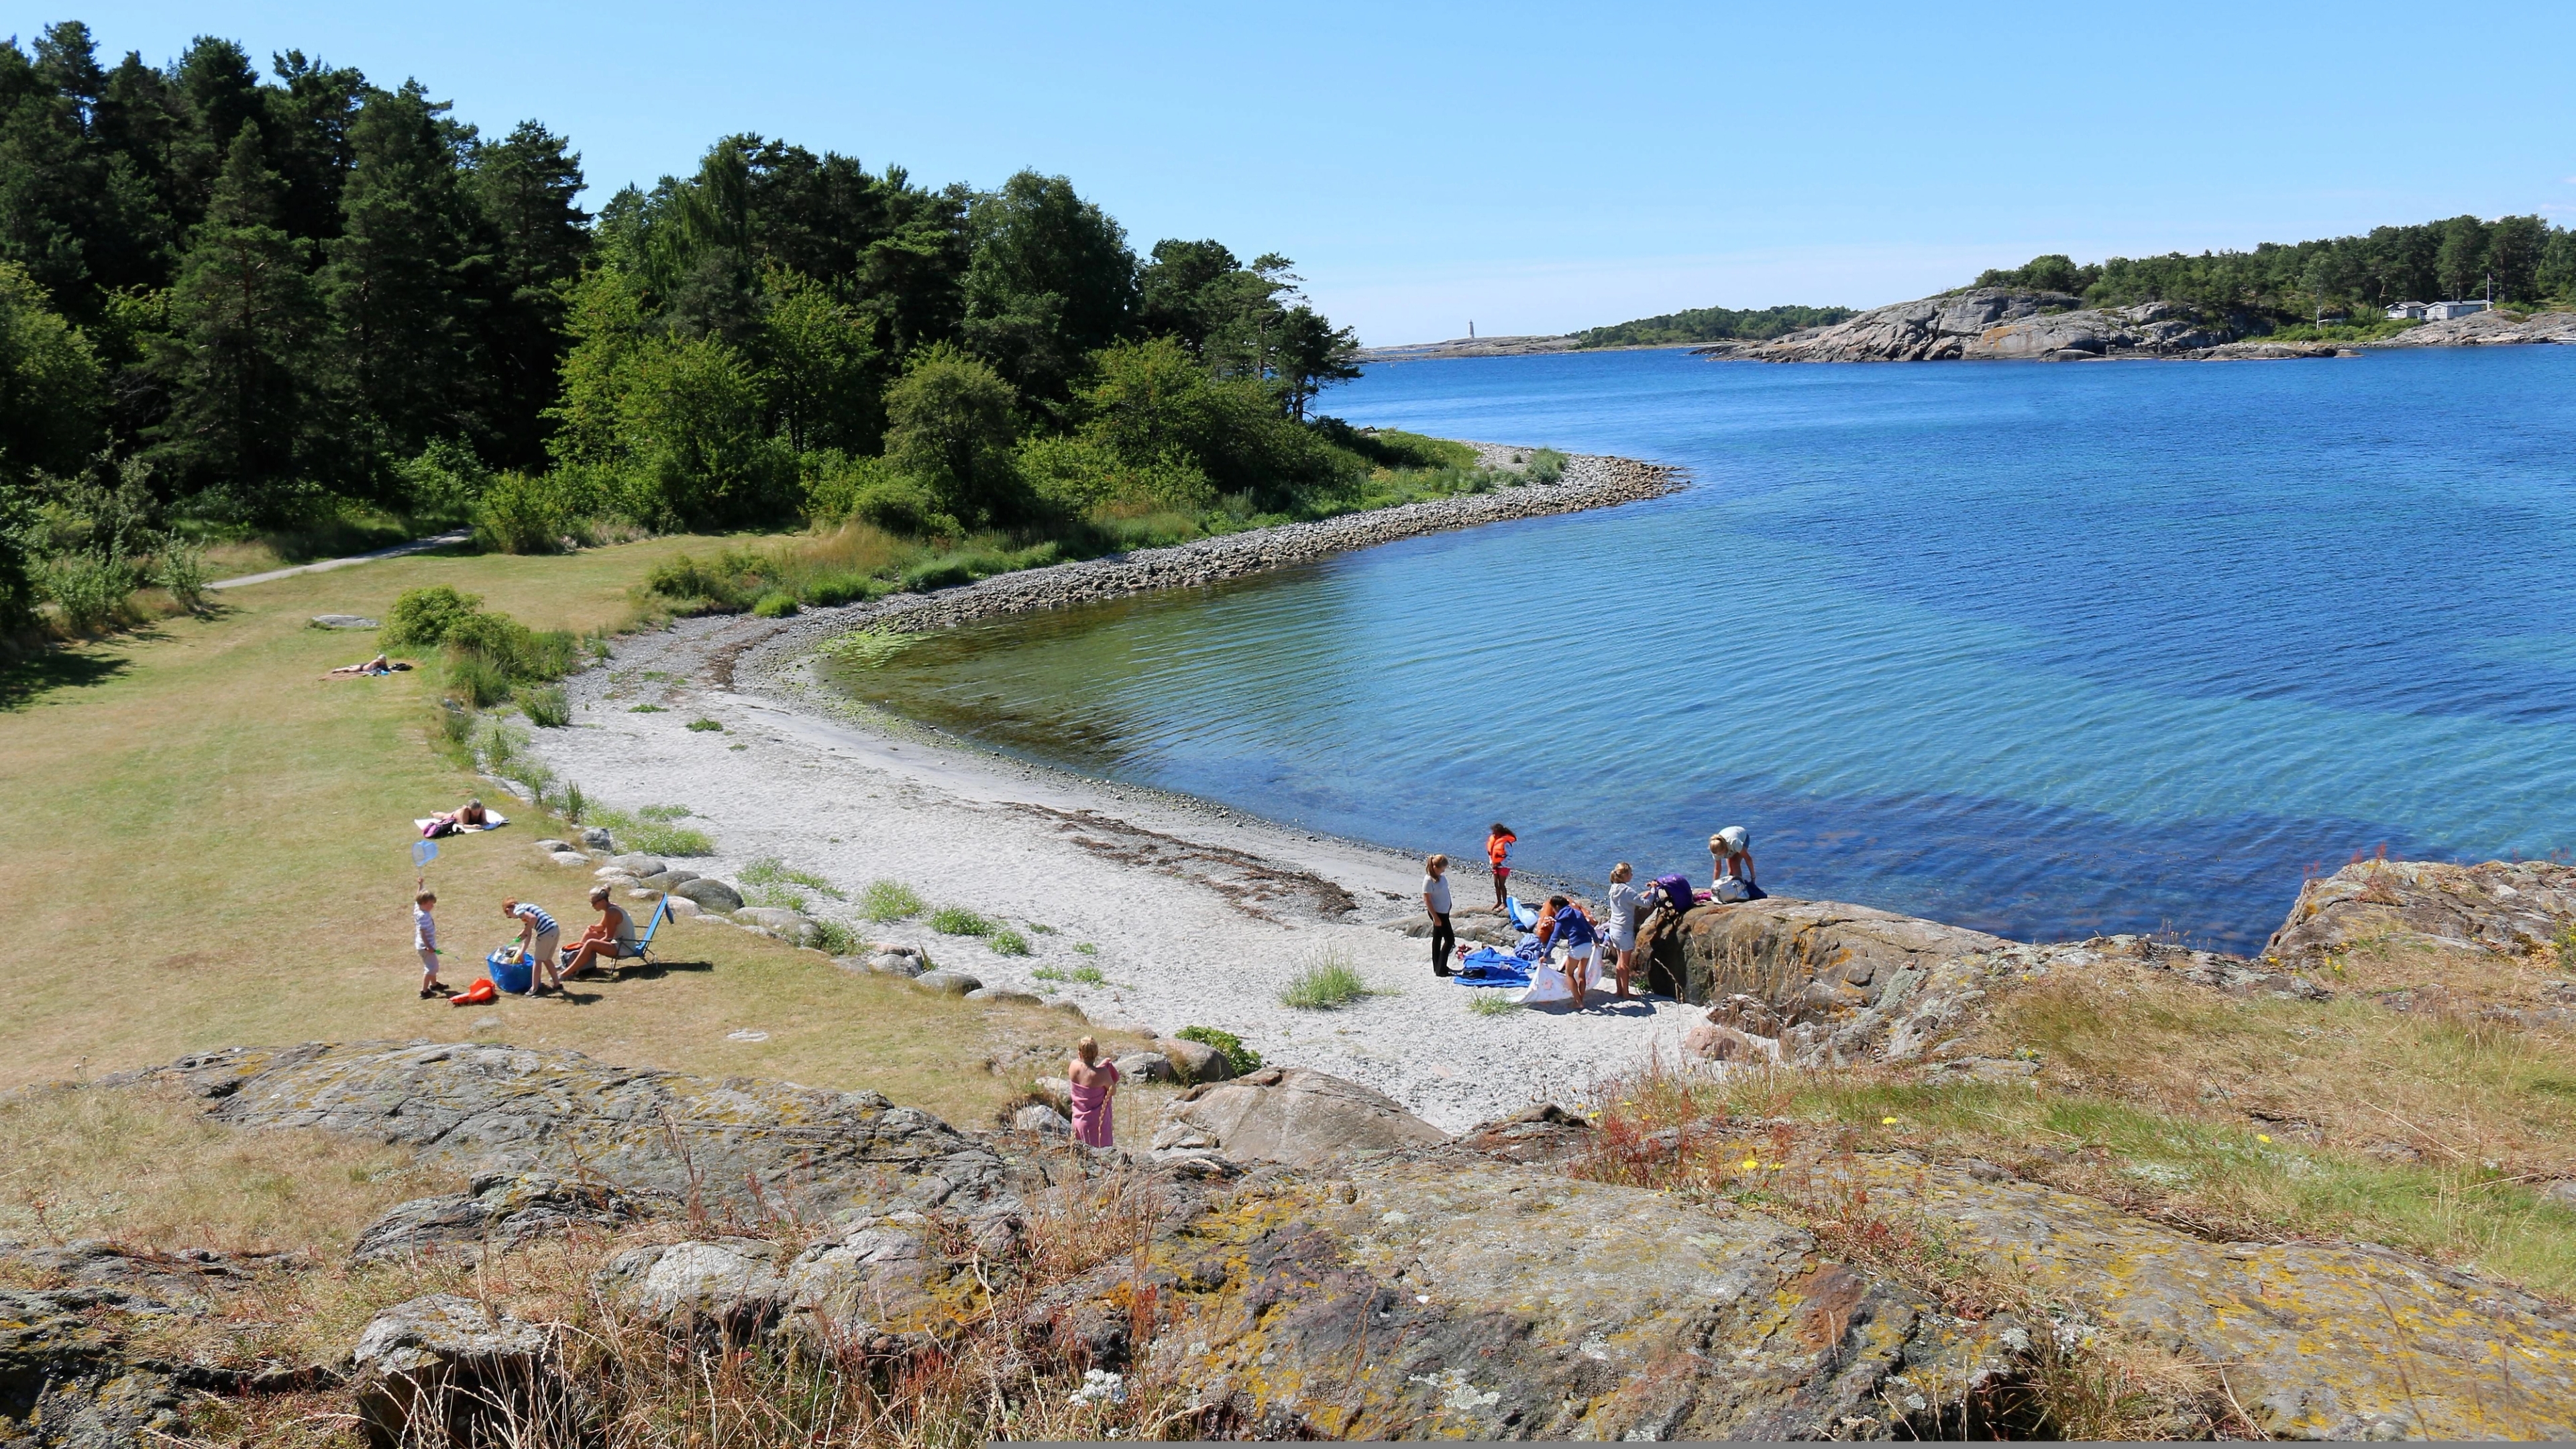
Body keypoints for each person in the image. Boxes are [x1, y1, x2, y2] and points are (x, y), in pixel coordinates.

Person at [561, 886, 638, 977]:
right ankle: (580, 964)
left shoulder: (612, 912)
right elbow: (602, 927)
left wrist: (586, 948)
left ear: (602, 901)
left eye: (594, 903)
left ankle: (566, 973)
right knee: (589, 933)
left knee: (590, 943)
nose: (592, 906)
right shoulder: (610, 908)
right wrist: (593, 928)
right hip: (620, 942)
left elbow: (609, 938)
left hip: (625, 949)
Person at [1538, 894, 1599, 1003]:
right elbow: (1590, 928)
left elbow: (1554, 938)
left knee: (1569, 974)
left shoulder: (1561, 918)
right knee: (1581, 974)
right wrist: (1596, 941)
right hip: (1588, 945)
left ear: (1557, 907)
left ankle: (1578, 1002)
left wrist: (1545, 955)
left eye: (1553, 908)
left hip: (1577, 947)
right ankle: (1581, 998)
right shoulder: (1578, 913)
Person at [501, 898, 564, 995]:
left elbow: (534, 918)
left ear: (508, 910)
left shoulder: (518, 911)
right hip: (554, 929)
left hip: (545, 932)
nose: (511, 917)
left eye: (508, 916)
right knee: (547, 959)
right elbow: (528, 934)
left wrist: (525, 931)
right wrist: (521, 952)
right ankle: (557, 985)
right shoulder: (524, 907)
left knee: (537, 960)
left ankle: (535, 989)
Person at [1604, 863, 1646, 1000]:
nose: (1632, 875)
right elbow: (1645, 903)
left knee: (1619, 961)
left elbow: (1635, 900)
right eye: (1630, 873)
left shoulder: (1613, 889)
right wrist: (1654, 892)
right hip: (1624, 931)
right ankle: (1626, 994)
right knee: (1625, 964)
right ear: (1625, 876)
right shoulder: (1627, 891)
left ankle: (1619, 991)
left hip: (1614, 929)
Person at [1069, 1036, 1120, 1148]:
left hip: (1078, 1120)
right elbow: (1113, 1091)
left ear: (1080, 1053)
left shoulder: (1073, 1066)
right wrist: (1104, 1068)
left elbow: (1087, 1072)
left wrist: (1100, 1067)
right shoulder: (1102, 1074)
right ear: (1096, 1053)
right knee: (1101, 1159)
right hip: (1096, 1126)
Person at [1423, 854, 1456, 977]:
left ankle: (1437, 966)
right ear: (1435, 867)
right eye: (1442, 869)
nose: (1444, 871)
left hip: (1445, 911)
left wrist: (1450, 904)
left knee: (1437, 938)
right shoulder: (1428, 880)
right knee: (1450, 940)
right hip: (1438, 914)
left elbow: (1445, 892)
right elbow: (1427, 900)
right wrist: (1435, 917)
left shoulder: (1441, 877)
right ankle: (1442, 969)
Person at [1709, 826, 1764, 900]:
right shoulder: (1715, 849)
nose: (1720, 856)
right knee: (1731, 872)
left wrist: (1753, 878)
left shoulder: (1734, 842)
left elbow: (1748, 859)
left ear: (1725, 848)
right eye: (1718, 855)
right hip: (1728, 838)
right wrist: (1714, 886)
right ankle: (1732, 891)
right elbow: (1718, 869)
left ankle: (1740, 890)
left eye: (1721, 854)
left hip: (1743, 837)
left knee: (1735, 864)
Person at [414, 890, 447, 999]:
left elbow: (417, 898)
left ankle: (434, 985)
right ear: (424, 903)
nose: (432, 906)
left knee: (432, 965)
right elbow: (423, 932)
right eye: (431, 904)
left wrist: (420, 885)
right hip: (426, 947)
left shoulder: (418, 909)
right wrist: (429, 946)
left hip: (424, 946)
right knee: (432, 968)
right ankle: (424, 991)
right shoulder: (424, 916)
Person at [1485, 823, 1517, 912]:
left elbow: (1509, 856)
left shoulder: (1506, 843)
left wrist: (1500, 863)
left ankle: (1504, 903)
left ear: (1501, 833)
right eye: (1493, 833)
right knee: (1496, 884)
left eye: (1496, 833)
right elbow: (1490, 853)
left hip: (1504, 866)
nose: (1494, 835)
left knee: (1501, 884)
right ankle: (1498, 901)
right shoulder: (1493, 841)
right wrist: (1492, 863)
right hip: (1495, 865)